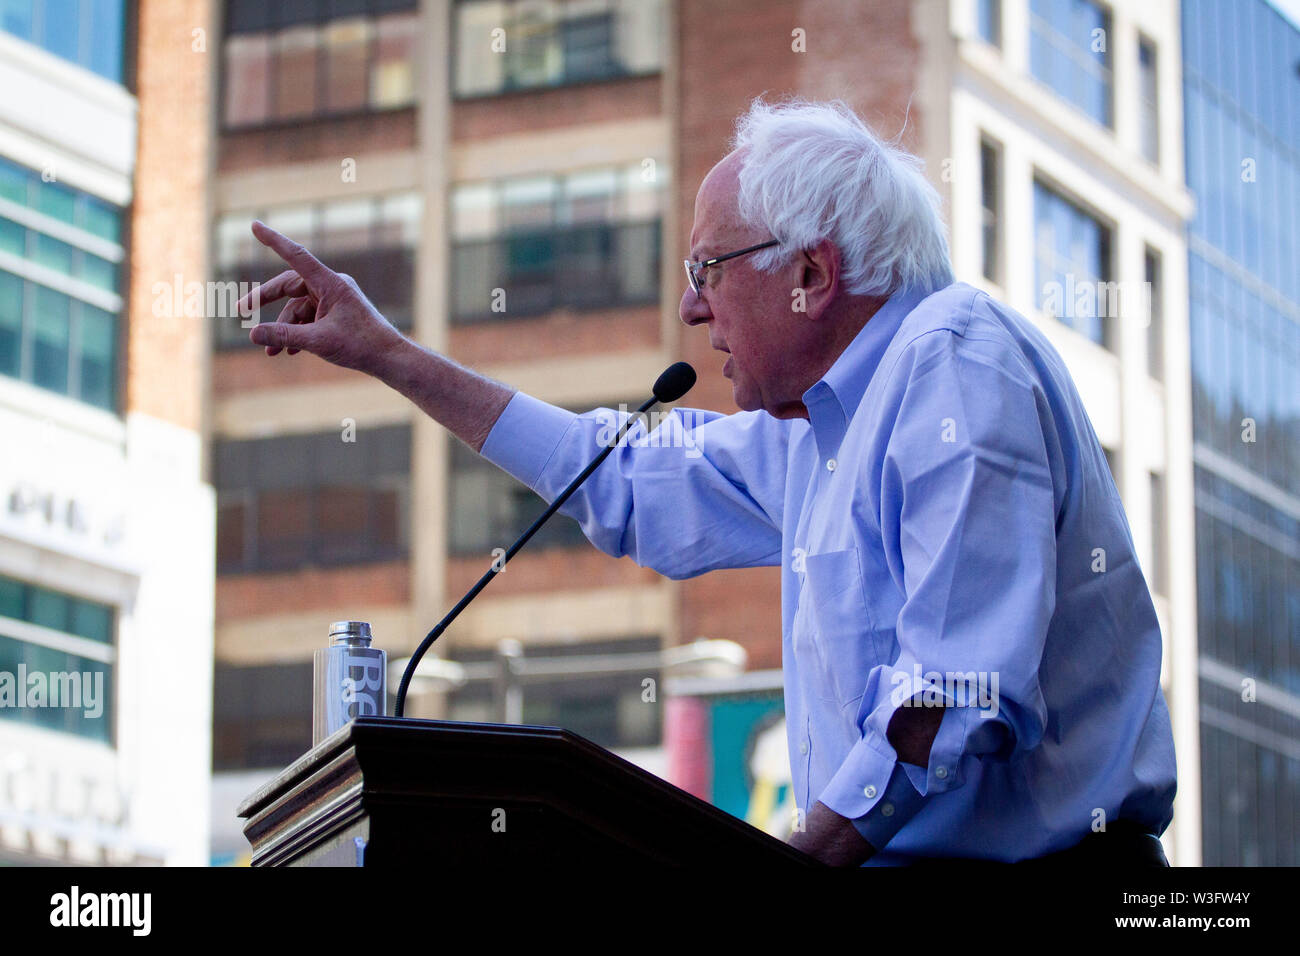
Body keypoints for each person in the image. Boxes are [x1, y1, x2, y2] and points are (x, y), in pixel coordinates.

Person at [236, 98, 1176, 867]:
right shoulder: (813, 432)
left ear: (811, 271)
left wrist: (795, 864)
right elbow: (612, 478)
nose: (691, 307)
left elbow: (954, 688)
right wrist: (387, 354)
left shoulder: (955, 363)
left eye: (706, 269)